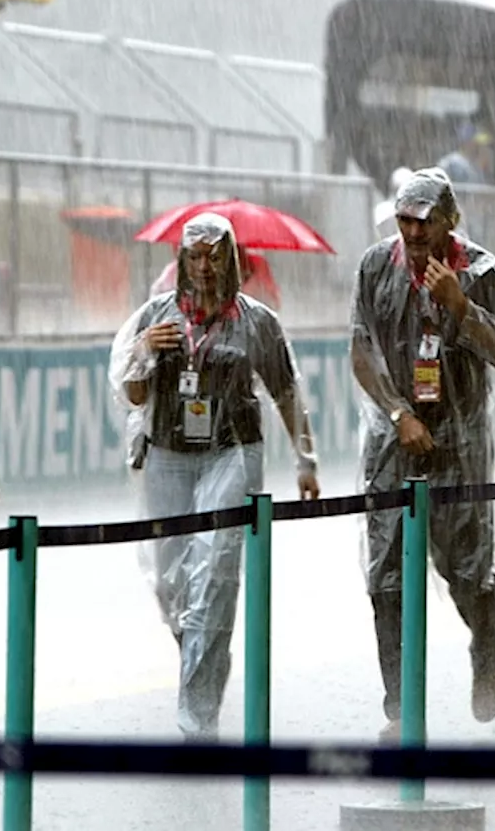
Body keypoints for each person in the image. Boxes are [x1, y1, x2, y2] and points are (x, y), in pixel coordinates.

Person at [109, 212, 321, 741]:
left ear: (233, 262)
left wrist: (306, 459)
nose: (204, 268)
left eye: (215, 256)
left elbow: (287, 393)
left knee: (215, 568)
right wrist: (143, 353)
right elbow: (131, 394)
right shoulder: (154, 317)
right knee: (169, 581)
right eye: (194, 257)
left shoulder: (257, 321)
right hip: (168, 454)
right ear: (180, 262)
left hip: (232, 453)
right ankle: (201, 653)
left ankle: (197, 715)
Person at [349, 167, 495, 740]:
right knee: (387, 577)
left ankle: (487, 646)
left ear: (450, 220)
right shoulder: (377, 267)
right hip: (393, 437)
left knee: (466, 568)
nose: (414, 231)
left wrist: (461, 307)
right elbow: (361, 349)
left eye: (425, 221)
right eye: (404, 219)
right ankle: (401, 709)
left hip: (460, 439)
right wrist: (398, 413)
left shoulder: (482, 272)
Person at [150, 243, 282, 310]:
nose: (203, 267)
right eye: (195, 256)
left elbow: (272, 301)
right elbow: (158, 298)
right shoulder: (174, 272)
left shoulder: (257, 265)